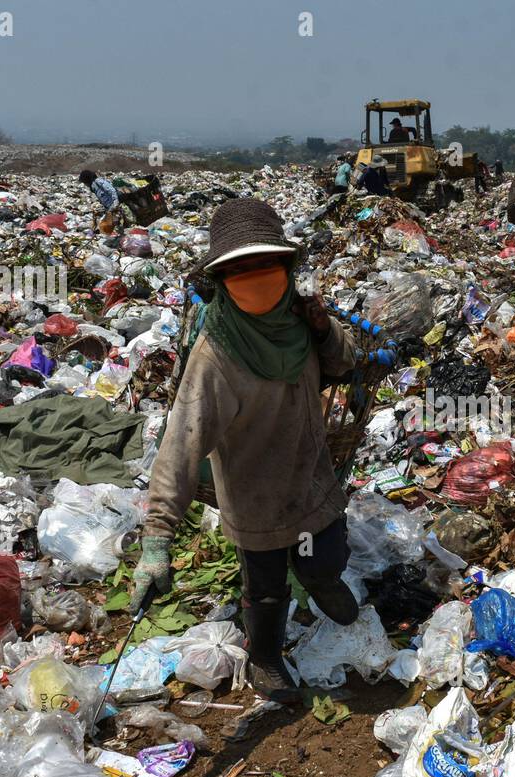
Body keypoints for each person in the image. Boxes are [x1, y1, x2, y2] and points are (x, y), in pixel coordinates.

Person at [131, 198, 360, 702]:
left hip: (311, 477)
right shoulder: (216, 355)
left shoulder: (299, 320)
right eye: (240, 270)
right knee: (267, 588)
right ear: (221, 280)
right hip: (254, 494)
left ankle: (321, 581)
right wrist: (156, 542)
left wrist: (324, 329)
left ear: (286, 267)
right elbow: (180, 446)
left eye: (265, 264)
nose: (255, 278)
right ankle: (266, 658)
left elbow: (344, 363)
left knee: (324, 556)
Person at [79, 169, 124, 234]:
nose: (85, 184)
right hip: (110, 208)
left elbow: (111, 190)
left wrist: (115, 202)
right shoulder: (93, 186)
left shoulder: (98, 181)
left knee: (114, 223)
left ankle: (120, 235)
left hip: (115, 205)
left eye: (84, 182)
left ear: (87, 180)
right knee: (110, 224)